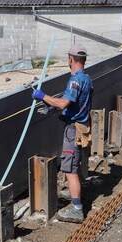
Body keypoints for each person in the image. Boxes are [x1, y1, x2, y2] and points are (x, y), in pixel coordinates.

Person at [32, 44, 93, 224]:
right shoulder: (87, 79)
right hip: (81, 125)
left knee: (69, 169)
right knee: (76, 162)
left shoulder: (75, 80)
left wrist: (43, 96)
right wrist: (53, 106)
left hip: (73, 130)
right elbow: (76, 103)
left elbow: (64, 103)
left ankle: (76, 209)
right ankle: (76, 193)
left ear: (71, 59)